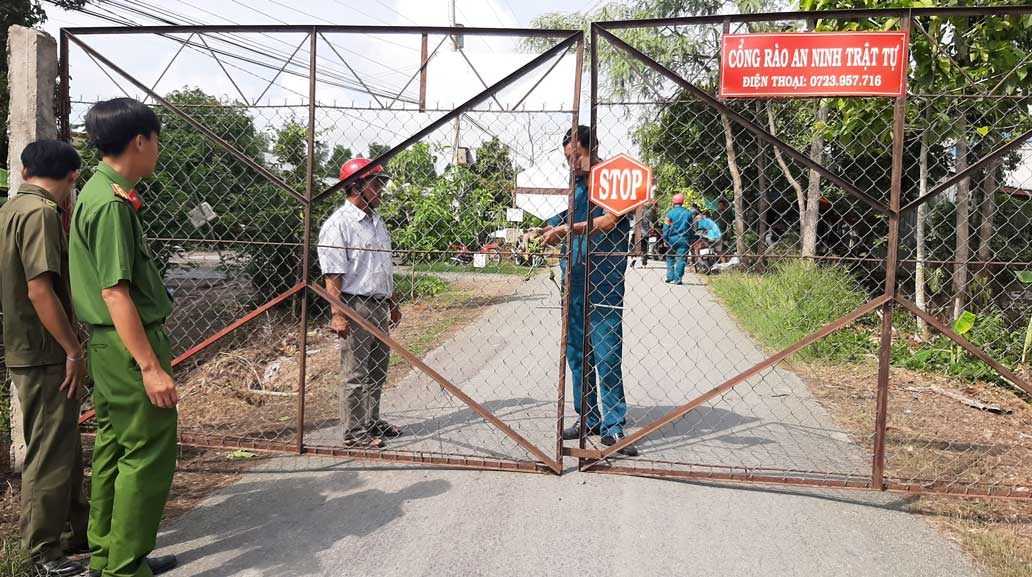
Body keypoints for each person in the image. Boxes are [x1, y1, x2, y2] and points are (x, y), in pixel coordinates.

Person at [69, 98, 178, 577]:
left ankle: (106, 555)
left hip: (108, 348)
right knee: (147, 453)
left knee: (115, 449)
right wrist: (150, 366)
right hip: (129, 347)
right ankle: (126, 567)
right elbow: (116, 293)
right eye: (156, 140)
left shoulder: (96, 189)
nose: (157, 150)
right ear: (140, 140)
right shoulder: (111, 204)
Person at [0, 140, 90, 576]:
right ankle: (43, 554)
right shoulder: (40, 214)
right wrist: (73, 349)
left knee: (63, 445)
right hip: (45, 351)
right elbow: (40, 291)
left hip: (27, 346)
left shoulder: (11, 209)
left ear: (23, 169)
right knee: (50, 452)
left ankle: (77, 531)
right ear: (73, 176)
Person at [538, 126, 638, 457]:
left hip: (605, 282)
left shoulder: (616, 179)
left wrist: (569, 228)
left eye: (578, 156)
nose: (574, 163)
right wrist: (546, 228)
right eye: (569, 158)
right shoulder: (575, 188)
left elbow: (609, 221)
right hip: (574, 279)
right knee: (578, 354)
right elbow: (564, 217)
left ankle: (614, 424)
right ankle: (589, 418)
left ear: (593, 147)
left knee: (607, 353)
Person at [317, 158, 402, 449]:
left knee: (378, 369)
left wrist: (392, 301)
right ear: (355, 186)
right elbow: (333, 276)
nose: (380, 189)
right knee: (355, 372)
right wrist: (337, 315)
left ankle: (371, 421)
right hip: (355, 306)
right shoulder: (338, 225)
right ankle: (354, 432)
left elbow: (382, 266)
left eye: (380, 183)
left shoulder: (377, 222)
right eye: (375, 183)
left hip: (378, 304)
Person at [662, 193, 694, 285]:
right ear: (682, 202)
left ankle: (669, 276)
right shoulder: (688, 213)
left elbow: (666, 228)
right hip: (684, 239)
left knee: (670, 257)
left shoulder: (670, 213)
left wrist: (665, 239)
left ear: (673, 202)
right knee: (681, 259)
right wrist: (691, 238)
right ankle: (678, 279)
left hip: (671, 239)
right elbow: (691, 227)